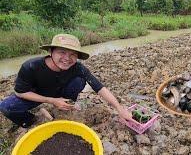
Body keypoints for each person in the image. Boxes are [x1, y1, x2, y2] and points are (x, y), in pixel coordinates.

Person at [0, 34, 133, 129]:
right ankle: (32, 122)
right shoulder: (31, 66)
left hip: (59, 92)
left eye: (73, 54)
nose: (67, 58)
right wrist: (51, 101)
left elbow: (99, 87)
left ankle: (66, 105)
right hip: (35, 95)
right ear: (51, 52)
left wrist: (119, 108)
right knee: (7, 107)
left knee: (79, 81)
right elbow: (20, 92)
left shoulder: (77, 67)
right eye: (62, 52)